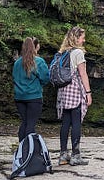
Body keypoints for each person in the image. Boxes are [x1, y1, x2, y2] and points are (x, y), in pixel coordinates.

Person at [56, 26, 92, 166]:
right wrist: (88, 93)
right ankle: (76, 155)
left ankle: (63, 155)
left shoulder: (63, 52)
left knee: (65, 123)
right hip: (75, 91)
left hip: (63, 92)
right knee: (76, 123)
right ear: (76, 38)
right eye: (82, 37)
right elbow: (83, 74)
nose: (84, 40)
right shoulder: (77, 53)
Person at [12, 37, 50, 142]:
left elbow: (15, 78)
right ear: (36, 46)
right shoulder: (38, 61)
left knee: (25, 122)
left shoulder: (17, 63)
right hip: (34, 97)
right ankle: (29, 148)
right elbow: (46, 78)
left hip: (19, 97)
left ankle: (21, 146)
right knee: (31, 124)